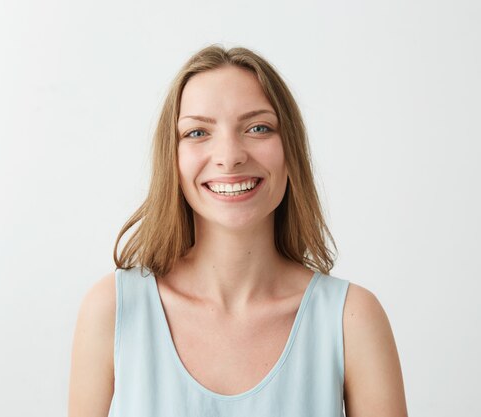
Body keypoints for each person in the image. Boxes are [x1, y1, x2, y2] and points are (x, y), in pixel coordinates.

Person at [68, 45, 408, 417]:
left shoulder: (352, 319)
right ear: (172, 157)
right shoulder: (113, 310)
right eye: (198, 132)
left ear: (290, 148)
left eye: (258, 127)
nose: (229, 156)